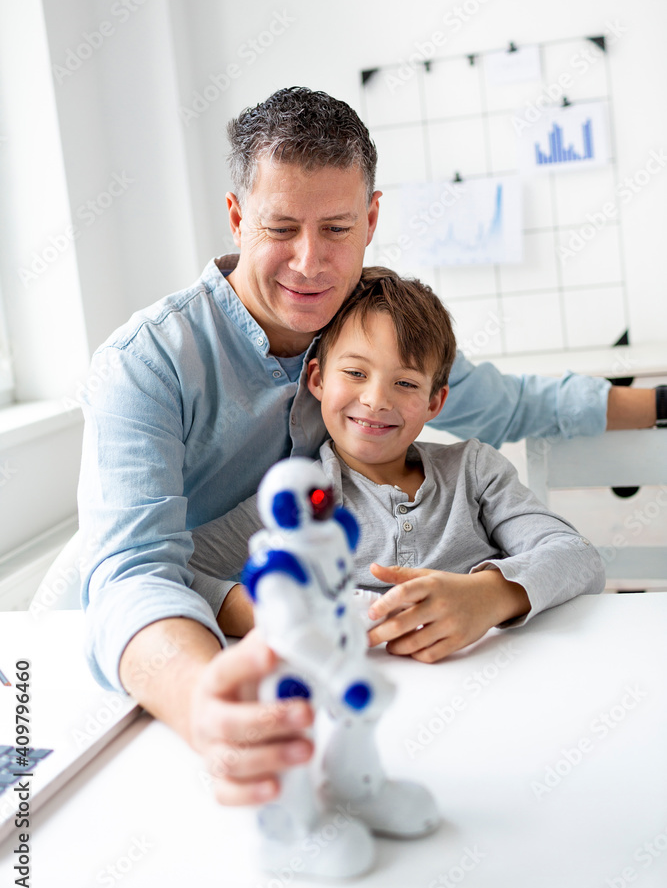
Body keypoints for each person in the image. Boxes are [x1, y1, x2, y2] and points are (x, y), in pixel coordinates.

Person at [77, 86, 658, 808]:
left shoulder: (364, 321)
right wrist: (211, 705)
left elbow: (510, 404)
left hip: (338, 650)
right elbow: (134, 575)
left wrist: (655, 405)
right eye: (280, 227)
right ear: (236, 217)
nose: (309, 262)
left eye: (337, 229)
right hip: (175, 641)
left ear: (371, 219)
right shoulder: (144, 362)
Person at [187, 269, 604, 662]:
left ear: (434, 402)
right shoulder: (297, 499)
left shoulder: (475, 472)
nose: (376, 400)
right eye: (355, 372)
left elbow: (578, 558)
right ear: (316, 379)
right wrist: (283, 614)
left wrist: (488, 595)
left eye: (404, 383)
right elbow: (183, 573)